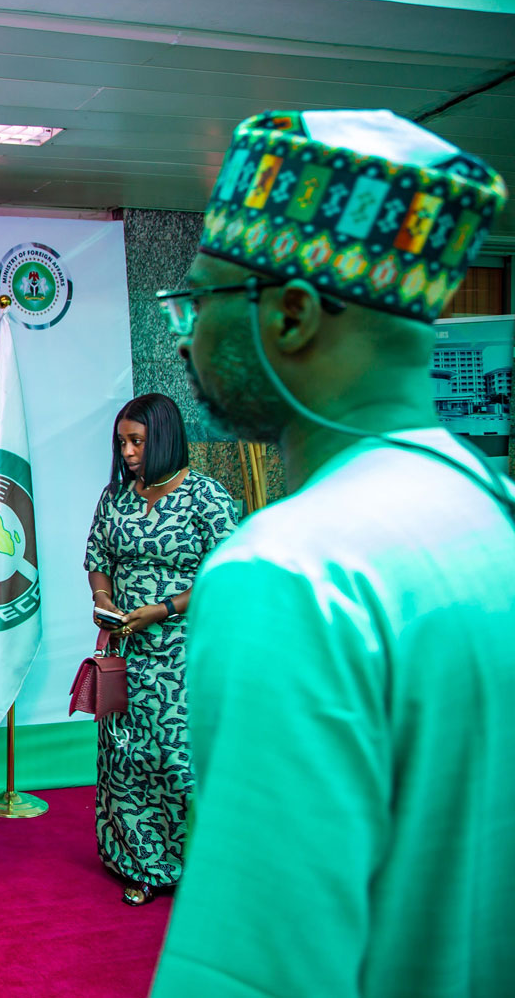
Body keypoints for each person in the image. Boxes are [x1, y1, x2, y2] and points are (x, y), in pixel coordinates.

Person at [150, 110, 514, 997]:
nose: (185, 337)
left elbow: (256, 968)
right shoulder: (489, 508)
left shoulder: (293, 571)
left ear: (291, 314)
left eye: (199, 302)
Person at [81, 392, 235, 906]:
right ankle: (141, 865)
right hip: (124, 653)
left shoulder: (206, 497)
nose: (127, 452)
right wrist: (103, 599)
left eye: (137, 441)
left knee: (180, 760)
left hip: (184, 654)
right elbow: (97, 557)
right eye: (122, 442)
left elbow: (225, 573)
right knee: (125, 759)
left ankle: (199, 864)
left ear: (164, 438)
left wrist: (163, 609)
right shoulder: (115, 497)